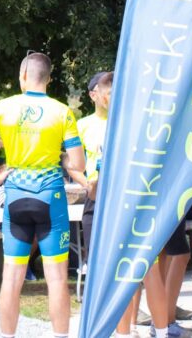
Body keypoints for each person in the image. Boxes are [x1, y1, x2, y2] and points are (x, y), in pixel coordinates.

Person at [0, 52, 88, 338]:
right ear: (49, 79)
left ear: (22, 77)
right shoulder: (62, 111)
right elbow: (79, 165)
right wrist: (61, 156)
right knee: (57, 280)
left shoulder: (3, 107)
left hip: (16, 195)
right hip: (50, 197)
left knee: (11, 277)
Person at [78, 71, 111, 255]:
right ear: (93, 95)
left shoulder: (125, 122)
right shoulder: (82, 125)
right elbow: (71, 163)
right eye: (105, 89)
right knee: (94, 253)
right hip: (95, 194)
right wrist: (87, 185)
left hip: (121, 194)